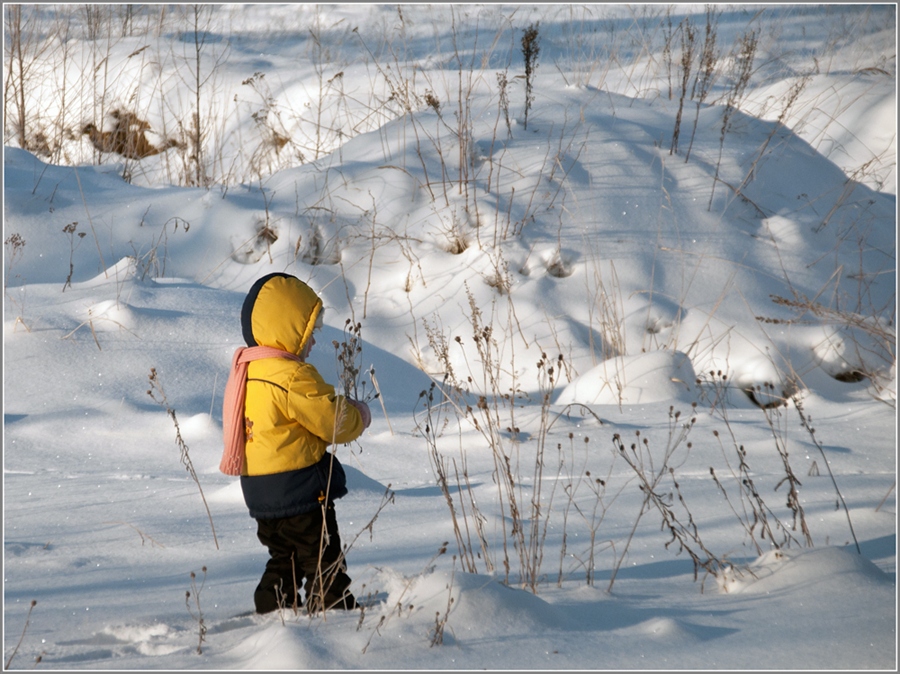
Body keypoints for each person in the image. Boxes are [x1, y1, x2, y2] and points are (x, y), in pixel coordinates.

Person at [220, 272, 371, 614]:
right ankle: (334, 605)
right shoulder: (292, 376)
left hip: (259, 493)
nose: (313, 342)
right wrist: (359, 414)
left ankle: (273, 606)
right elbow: (332, 422)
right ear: (287, 328)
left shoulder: (247, 372)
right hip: (300, 490)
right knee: (321, 554)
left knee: (283, 556)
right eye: (309, 332)